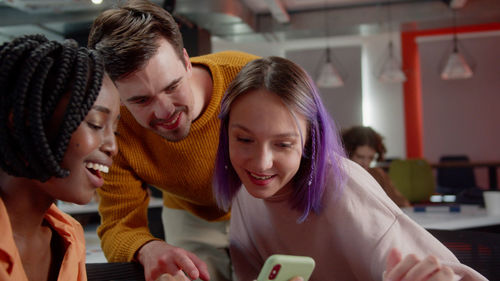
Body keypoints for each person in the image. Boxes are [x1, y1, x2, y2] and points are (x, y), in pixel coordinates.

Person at [212, 56, 486, 281]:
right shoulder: (245, 194)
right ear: (226, 135)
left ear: (311, 140)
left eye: (283, 144)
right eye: (245, 140)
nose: (261, 163)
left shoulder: (345, 187)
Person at [87, 1, 259, 280]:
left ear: (186, 61)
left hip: (267, 208)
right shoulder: (113, 130)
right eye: (141, 100)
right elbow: (118, 225)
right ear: (115, 94)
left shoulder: (250, 78)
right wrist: (147, 247)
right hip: (188, 216)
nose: (165, 112)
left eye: (172, 86)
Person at [0, 35, 120, 280]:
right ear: (24, 124)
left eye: (115, 130)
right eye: (96, 124)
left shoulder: (69, 238)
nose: (113, 146)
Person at [342, 125, 411, 207]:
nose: (366, 163)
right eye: (360, 157)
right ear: (347, 153)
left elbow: (402, 204)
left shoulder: (377, 174)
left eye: (371, 157)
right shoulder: (339, 176)